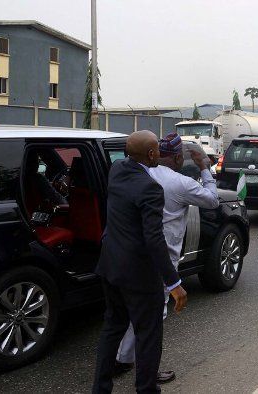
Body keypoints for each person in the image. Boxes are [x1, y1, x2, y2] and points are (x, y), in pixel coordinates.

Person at [114, 133, 219, 383]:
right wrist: (205, 168)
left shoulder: (136, 174)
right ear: (178, 157)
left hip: (131, 254)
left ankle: (122, 358)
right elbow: (213, 200)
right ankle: (146, 373)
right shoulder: (180, 183)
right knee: (153, 318)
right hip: (162, 260)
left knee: (133, 311)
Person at [92, 130, 188, 394]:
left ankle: (100, 389)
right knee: (148, 336)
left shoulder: (117, 171)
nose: (159, 152)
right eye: (157, 149)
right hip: (138, 276)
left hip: (110, 266)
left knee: (112, 328)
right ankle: (147, 390)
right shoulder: (150, 188)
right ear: (150, 154)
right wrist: (174, 283)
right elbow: (154, 240)